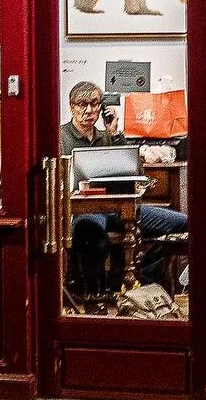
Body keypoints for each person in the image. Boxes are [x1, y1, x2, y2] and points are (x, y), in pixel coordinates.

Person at [60, 80, 186, 298]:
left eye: (94, 104)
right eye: (82, 104)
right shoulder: (61, 137)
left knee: (182, 223)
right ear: (72, 106)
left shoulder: (106, 137)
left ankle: (145, 278)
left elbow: (132, 170)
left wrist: (115, 133)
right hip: (86, 208)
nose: (89, 110)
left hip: (119, 208)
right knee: (91, 235)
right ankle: (94, 295)